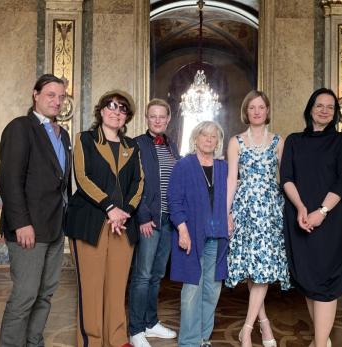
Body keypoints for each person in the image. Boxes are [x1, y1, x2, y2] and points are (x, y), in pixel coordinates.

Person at [0, 74, 72, 346]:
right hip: (28, 228)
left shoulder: (61, 135)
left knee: (45, 293)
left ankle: (34, 342)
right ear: (35, 95)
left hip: (54, 227)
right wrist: (21, 224)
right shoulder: (21, 127)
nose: (57, 101)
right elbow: (9, 179)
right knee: (25, 294)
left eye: (61, 97)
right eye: (51, 95)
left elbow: (62, 184)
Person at [65, 90, 144, 347]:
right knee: (91, 287)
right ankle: (92, 341)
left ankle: (118, 339)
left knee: (117, 285)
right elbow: (82, 177)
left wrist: (125, 212)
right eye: (111, 106)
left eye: (122, 109)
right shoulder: (84, 139)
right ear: (100, 111)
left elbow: (138, 183)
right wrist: (110, 207)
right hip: (90, 222)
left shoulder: (131, 147)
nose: (116, 111)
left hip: (123, 224)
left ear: (126, 118)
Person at [280, 88, 342, 347]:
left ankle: (320, 343)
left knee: (325, 283)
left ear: (335, 113)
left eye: (330, 107)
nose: (324, 110)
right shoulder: (294, 140)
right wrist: (300, 208)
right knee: (309, 281)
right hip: (299, 219)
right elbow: (286, 178)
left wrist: (321, 212)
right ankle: (322, 339)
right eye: (319, 105)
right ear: (310, 108)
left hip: (330, 220)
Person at [225, 90, 290, 347]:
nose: (256, 111)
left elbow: (285, 179)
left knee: (263, 270)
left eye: (260, 107)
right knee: (253, 268)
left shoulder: (278, 142)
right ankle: (263, 323)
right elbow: (231, 180)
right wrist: (226, 212)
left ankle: (247, 329)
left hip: (270, 209)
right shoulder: (236, 142)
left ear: (267, 110)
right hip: (244, 209)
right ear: (246, 111)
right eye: (251, 107)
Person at [167, 121, 228, 347]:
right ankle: (189, 341)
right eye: (205, 135)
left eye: (214, 136)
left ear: (218, 141)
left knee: (212, 290)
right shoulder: (184, 165)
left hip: (218, 237)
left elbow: (230, 199)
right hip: (191, 236)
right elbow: (174, 201)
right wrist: (182, 230)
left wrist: (230, 217)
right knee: (192, 288)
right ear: (196, 138)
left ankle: (203, 336)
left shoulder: (224, 168)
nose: (209, 139)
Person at [128, 98, 180, 347]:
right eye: (153, 116)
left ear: (168, 119)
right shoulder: (137, 144)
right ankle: (136, 329)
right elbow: (135, 184)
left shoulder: (172, 146)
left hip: (169, 220)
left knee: (157, 275)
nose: (158, 120)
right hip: (149, 220)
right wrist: (143, 217)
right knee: (142, 275)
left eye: (162, 116)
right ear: (147, 119)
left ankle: (151, 323)